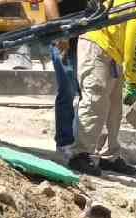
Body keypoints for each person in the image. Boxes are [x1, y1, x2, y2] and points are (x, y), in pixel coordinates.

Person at [67, 0, 136, 176]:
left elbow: (132, 47)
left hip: (114, 54)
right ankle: (80, 155)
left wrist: (130, 77)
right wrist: (132, 80)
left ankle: (108, 155)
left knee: (114, 109)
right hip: (98, 47)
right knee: (95, 102)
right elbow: (132, 48)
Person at [42, 0, 85, 157]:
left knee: (88, 93)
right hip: (65, 39)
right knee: (68, 90)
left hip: (87, 38)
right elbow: (49, 2)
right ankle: (65, 142)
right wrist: (60, 33)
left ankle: (82, 143)